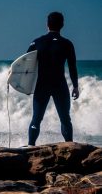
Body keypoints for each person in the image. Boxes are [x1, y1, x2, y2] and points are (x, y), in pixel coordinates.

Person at [26, 12, 79, 146]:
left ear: (47, 24)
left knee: (36, 119)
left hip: (42, 85)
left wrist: (24, 85)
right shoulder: (67, 44)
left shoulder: (36, 42)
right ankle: (70, 146)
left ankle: (30, 146)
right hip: (59, 85)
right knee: (65, 119)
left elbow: (26, 65)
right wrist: (75, 86)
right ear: (62, 25)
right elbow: (72, 67)